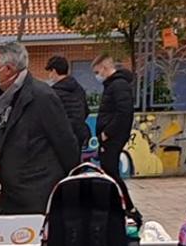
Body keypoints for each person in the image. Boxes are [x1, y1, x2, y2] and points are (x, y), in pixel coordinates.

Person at [0, 41, 78, 215]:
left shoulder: (42, 97)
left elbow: (66, 143)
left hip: (37, 193)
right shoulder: (1, 98)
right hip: (11, 191)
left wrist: (70, 186)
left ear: (9, 69)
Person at [92, 54, 136, 186]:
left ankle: (125, 204)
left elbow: (124, 112)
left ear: (104, 68)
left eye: (97, 72)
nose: (97, 76)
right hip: (111, 136)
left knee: (111, 173)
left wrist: (107, 133)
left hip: (113, 137)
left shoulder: (118, 85)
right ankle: (120, 203)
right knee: (109, 172)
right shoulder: (113, 85)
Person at [44, 55, 91, 151]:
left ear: (53, 71)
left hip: (62, 137)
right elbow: (86, 111)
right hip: (80, 134)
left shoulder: (53, 93)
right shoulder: (79, 88)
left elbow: (49, 117)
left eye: (49, 72)